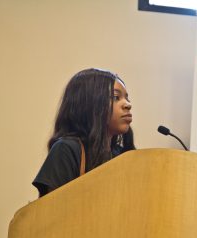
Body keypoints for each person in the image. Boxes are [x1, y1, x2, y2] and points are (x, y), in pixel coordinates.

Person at [33, 68, 135, 197]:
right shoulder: (66, 149)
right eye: (116, 97)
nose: (127, 104)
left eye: (127, 98)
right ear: (89, 104)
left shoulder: (121, 156)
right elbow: (53, 211)